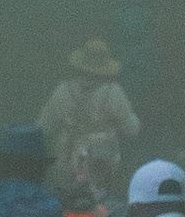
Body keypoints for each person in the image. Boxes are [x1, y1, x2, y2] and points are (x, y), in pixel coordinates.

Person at [39, 40, 142, 207]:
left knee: (65, 203)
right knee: (99, 204)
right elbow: (133, 129)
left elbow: (44, 127)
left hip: (66, 155)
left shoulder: (63, 89)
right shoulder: (113, 91)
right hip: (100, 159)